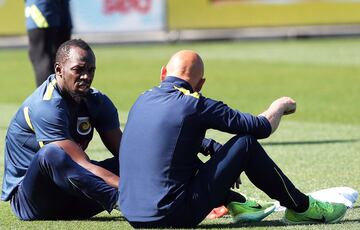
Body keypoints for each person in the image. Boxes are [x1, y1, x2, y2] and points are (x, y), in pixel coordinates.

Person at [118, 50, 348, 228]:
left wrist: (210, 146)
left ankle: (235, 201)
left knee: (176, 157)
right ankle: (302, 207)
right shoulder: (195, 103)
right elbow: (261, 127)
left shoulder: (142, 100)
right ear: (200, 84)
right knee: (245, 144)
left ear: (163, 74)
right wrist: (279, 106)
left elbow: (167, 139)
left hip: (132, 214)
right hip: (173, 214)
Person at [1, 39, 121, 220]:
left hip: (74, 192)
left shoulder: (97, 101)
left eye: (90, 70)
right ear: (59, 70)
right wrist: (129, 190)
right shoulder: (45, 106)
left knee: (132, 162)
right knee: (51, 154)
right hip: (34, 203)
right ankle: (124, 202)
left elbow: (126, 153)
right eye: (78, 70)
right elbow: (81, 165)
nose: (86, 76)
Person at [25, 0, 72, 86]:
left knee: (42, 56)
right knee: (63, 58)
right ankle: (67, 98)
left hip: (42, 6)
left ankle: (48, 98)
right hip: (61, 7)